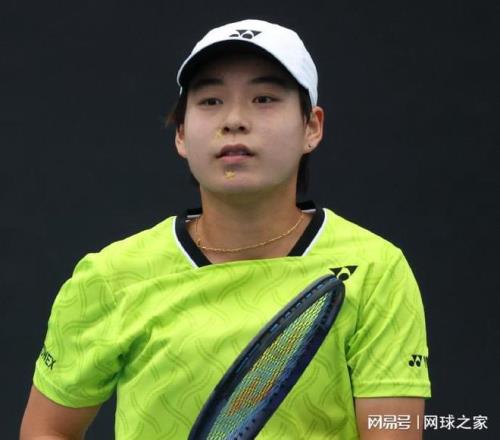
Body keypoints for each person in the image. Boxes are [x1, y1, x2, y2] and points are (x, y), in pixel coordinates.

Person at [21, 19, 431, 439]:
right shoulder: (110, 277)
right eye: (211, 100)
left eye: (264, 98)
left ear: (312, 127)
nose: (234, 120)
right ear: (182, 134)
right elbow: (46, 430)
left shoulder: (376, 271)